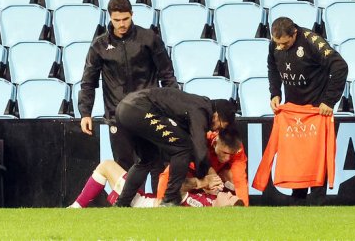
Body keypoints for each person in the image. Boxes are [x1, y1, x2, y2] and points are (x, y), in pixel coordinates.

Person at [78, 0, 178, 192]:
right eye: (117, 20)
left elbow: (167, 74)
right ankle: (130, 211)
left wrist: (175, 107)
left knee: (158, 164)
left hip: (150, 112)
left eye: (125, 19)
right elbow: (88, 81)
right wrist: (85, 113)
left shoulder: (149, 38)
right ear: (110, 18)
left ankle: (162, 211)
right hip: (118, 116)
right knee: (124, 167)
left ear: (132, 15)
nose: (122, 24)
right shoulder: (99, 45)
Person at [256, 17, 348, 204]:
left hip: (316, 111)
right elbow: (272, 66)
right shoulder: (274, 44)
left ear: (294, 34)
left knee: (316, 157)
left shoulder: (311, 41)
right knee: (297, 156)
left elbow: (340, 67)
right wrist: (275, 93)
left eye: (285, 43)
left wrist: (329, 101)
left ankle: (316, 201)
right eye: (277, 43)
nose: (280, 47)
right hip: (293, 111)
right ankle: (297, 200)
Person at [111, 87, 236, 207]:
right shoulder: (201, 110)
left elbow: (194, 146)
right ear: (216, 116)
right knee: (183, 147)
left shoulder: (197, 104)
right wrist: (206, 176)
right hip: (139, 109)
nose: (216, 130)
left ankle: (122, 203)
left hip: (125, 108)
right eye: (219, 126)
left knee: (147, 159)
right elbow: (199, 147)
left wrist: (207, 174)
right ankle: (170, 199)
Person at [68, 128, 244, 208]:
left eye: (229, 199)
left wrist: (200, 183)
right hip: (148, 200)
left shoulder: (202, 206)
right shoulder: (211, 200)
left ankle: (75, 209)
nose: (229, 194)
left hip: (141, 205)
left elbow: (173, 189)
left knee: (106, 166)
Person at [157, 127, 249, 206]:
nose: (227, 158)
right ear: (215, 143)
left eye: (231, 155)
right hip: (192, 168)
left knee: (234, 177)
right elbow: (181, 163)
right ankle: (162, 205)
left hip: (217, 174)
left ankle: (217, 200)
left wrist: (243, 209)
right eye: (224, 153)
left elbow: (239, 180)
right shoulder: (201, 139)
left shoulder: (238, 150)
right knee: (169, 175)